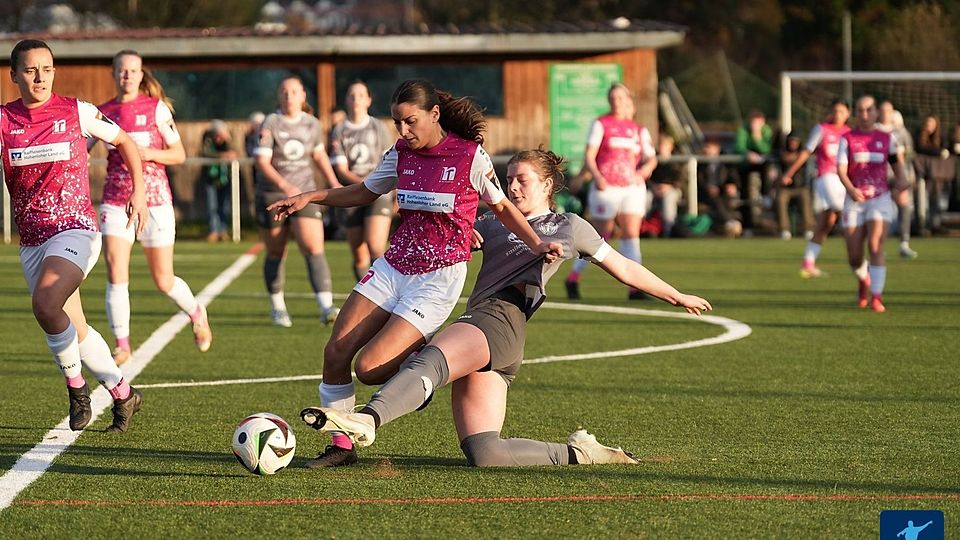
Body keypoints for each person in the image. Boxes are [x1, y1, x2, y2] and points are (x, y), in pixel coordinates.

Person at [297, 148, 712, 467]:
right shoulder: (492, 220)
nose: (512, 188)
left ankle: (366, 421)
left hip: (500, 320)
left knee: (431, 365)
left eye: (523, 180)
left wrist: (677, 295)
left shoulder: (569, 226)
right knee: (485, 452)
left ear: (548, 185)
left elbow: (623, 266)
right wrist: (457, 233)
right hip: (487, 328)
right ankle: (580, 453)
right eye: (508, 179)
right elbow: (442, 237)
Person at [267, 79, 561, 468]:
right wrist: (311, 196)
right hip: (393, 265)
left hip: (437, 281)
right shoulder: (401, 153)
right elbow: (363, 192)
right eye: (397, 123)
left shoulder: (470, 157)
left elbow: (504, 208)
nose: (404, 131)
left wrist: (537, 244)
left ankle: (422, 363)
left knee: (369, 369)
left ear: (434, 115)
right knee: (335, 351)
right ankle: (342, 446)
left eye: (411, 121)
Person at [1, 39, 146, 432]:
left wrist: (139, 191)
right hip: (32, 239)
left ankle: (77, 388)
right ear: (14, 75)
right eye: (30, 70)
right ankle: (123, 392)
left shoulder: (75, 110)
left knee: (46, 302)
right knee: (75, 328)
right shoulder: (3, 121)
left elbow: (125, 142)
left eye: (46, 69)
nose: (40, 77)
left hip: (75, 229)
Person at [92, 49, 212, 366]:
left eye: (133, 70)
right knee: (117, 272)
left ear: (142, 74)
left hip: (156, 200)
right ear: (113, 73)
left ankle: (196, 312)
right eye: (121, 70)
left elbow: (179, 155)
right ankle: (122, 345)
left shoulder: (156, 109)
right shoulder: (102, 112)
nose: (127, 75)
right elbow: (81, 148)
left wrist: (146, 153)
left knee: (163, 279)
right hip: (116, 200)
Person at [254, 75, 342, 328]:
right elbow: (261, 161)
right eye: (284, 91)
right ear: (278, 96)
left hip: (305, 193)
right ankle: (277, 307)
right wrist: (284, 186)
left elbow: (318, 155)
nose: (289, 96)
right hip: (272, 194)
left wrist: (334, 182)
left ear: (303, 96)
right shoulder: (270, 122)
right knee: (275, 251)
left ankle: (326, 306)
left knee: (314, 247)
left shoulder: (312, 124)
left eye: (294, 92)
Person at [564, 83, 657, 301]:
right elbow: (589, 155)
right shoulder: (601, 124)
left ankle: (636, 288)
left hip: (632, 188)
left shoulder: (638, 129)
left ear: (629, 101)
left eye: (621, 97)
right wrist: (597, 177)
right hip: (607, 187)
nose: (617, 102)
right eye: (613, 98)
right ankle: (573, 277)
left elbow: (651, 157)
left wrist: (644, 170)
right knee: (599, 237)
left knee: (631, 236)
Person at [837, 95, 908, 313]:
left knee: (876, 245)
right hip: (854, 200)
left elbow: (899, 168)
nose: (865, 114)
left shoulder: (888, 139)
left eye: (869, 110)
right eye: (860, 110)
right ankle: (863, 279)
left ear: (876, 112)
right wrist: (851, 190)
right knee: (854, 256)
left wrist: (901, 186)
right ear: (856, 113)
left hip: (880, 199)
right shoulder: (847, 138)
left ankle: (876, 297)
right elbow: (840, 170)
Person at [329, 81, 395, 280]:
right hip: (352, 194)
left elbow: (389, 162)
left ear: (368, 100)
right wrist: (362, 184)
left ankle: (385, 298)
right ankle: (365, 298)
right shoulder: (339, 130)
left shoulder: (378, 127)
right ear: (346, 100)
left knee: (376, 246)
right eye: (352, 95)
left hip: (379, 192)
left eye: (360, 95)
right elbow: (341, 169)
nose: (356, 99)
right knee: (359, 255)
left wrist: (376, 184)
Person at [780, 100, 851, 278]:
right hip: (826, 177)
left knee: (827, 222)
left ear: (848, 114)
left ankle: (808, 263)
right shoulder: (821, 129)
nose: (838, 115)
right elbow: (806, 152)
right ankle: (859, 254)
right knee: (843, 209)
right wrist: (790, 172)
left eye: (842, 112)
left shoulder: (849, 133)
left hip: (844, 179)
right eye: (835, 111)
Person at [877, 101, 918, 258]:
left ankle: (904, 244)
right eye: (882, 110)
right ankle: (879, 245)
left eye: (888, 110)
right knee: (879, 211)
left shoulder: (900, 132)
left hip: (898, 176)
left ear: (893, 111)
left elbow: (910, 153)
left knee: (904, 206)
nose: (885, 113)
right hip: (879, 176)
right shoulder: (873, 130)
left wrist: (907, 174)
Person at [734, 109, 776, 236]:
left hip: (761, 165)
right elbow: (739, 146)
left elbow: (767, 149)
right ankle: (747, 226)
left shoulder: (767, 131)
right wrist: (747, 154)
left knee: (765, 167)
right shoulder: (742, 130)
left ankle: (765, 193)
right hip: (745, 165)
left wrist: (756, 136)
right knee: (745, 193)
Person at [913, 115, 955, 235]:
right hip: (921, 174)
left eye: (932, 123)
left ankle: (935, 224)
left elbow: (947, 148)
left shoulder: (942, 135)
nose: (929, 126)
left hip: (938, 174)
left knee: (936, 199)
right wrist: (937, 153)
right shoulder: (918, 135)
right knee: (921, 199)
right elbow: (921, 148)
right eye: (927, 123)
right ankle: (921, 225)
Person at [200, 119, 236, 242]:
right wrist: (221, 156)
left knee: (224, 205)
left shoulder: (229, 137)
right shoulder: (207, 137)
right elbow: (205, 153)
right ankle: (213, 230)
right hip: (210, 177)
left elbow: (233, 152)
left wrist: (227, 140)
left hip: (225, 177)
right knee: (212, 205)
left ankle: (223, 230)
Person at [696, 138, 741, 235]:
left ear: (717, 149)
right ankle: (730, 222)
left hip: (722, 191)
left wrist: (732, 185)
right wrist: (708, 187)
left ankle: (727, 224)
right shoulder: (700, 164)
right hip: (706, 194)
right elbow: (699, 181)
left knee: (724, 199)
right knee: (716, 200)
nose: (706, 150)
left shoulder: (726, 162)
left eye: (709, 147)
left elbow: (733, 176)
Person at [774, 133, 814, 240]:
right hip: (785, 188)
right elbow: (781, 156)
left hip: (800, 187)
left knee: (805, 196)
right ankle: (784, 229)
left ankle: (808, 228)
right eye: (791, 141)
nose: (793, 144)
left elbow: (806, 156)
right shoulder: (781, 154)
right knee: (780, 198)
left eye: (796, 141)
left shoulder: (803, 155)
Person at [647, 134, 682, 239]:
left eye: (665, 146)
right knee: (646, 197)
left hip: (672, 190)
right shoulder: (653, 160)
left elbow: (682, 179)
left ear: (671, 147)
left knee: (668, 198)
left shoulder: (677, 161)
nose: (662, 148)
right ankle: (643, 228)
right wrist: (654, 187)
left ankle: (668, 230)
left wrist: (669, 187)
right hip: (654, 189)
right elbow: (648, 177)